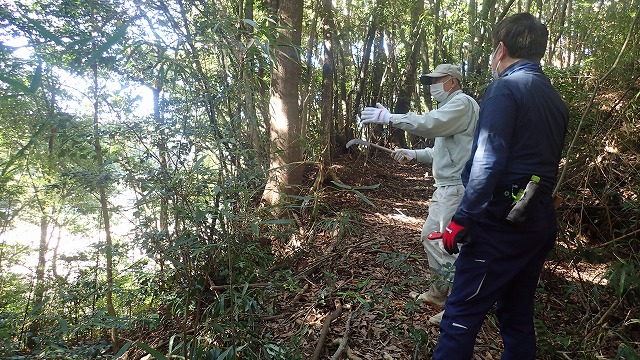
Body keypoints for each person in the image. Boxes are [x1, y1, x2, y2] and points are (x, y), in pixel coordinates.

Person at [434, 13, 569, 359]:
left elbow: (489, 159)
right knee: (516, 315)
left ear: (502, 49)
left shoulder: (505, 88)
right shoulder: (554, 99)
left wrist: (463, 218)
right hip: (538, 221)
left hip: (501, 225)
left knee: (460, 315)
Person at [359, 64, 479, 325]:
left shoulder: (462, 104)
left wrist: (391, 117)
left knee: (450, 246)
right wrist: (413, 154)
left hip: (457, 188)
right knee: (429, 237)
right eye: (431, 80)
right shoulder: (449, 110)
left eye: (438, 80)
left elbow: (429, 124)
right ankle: (438, 294)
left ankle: (458, 307)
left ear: (453, 82)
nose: (433, 84)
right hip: (445, 187)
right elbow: (440, 151)